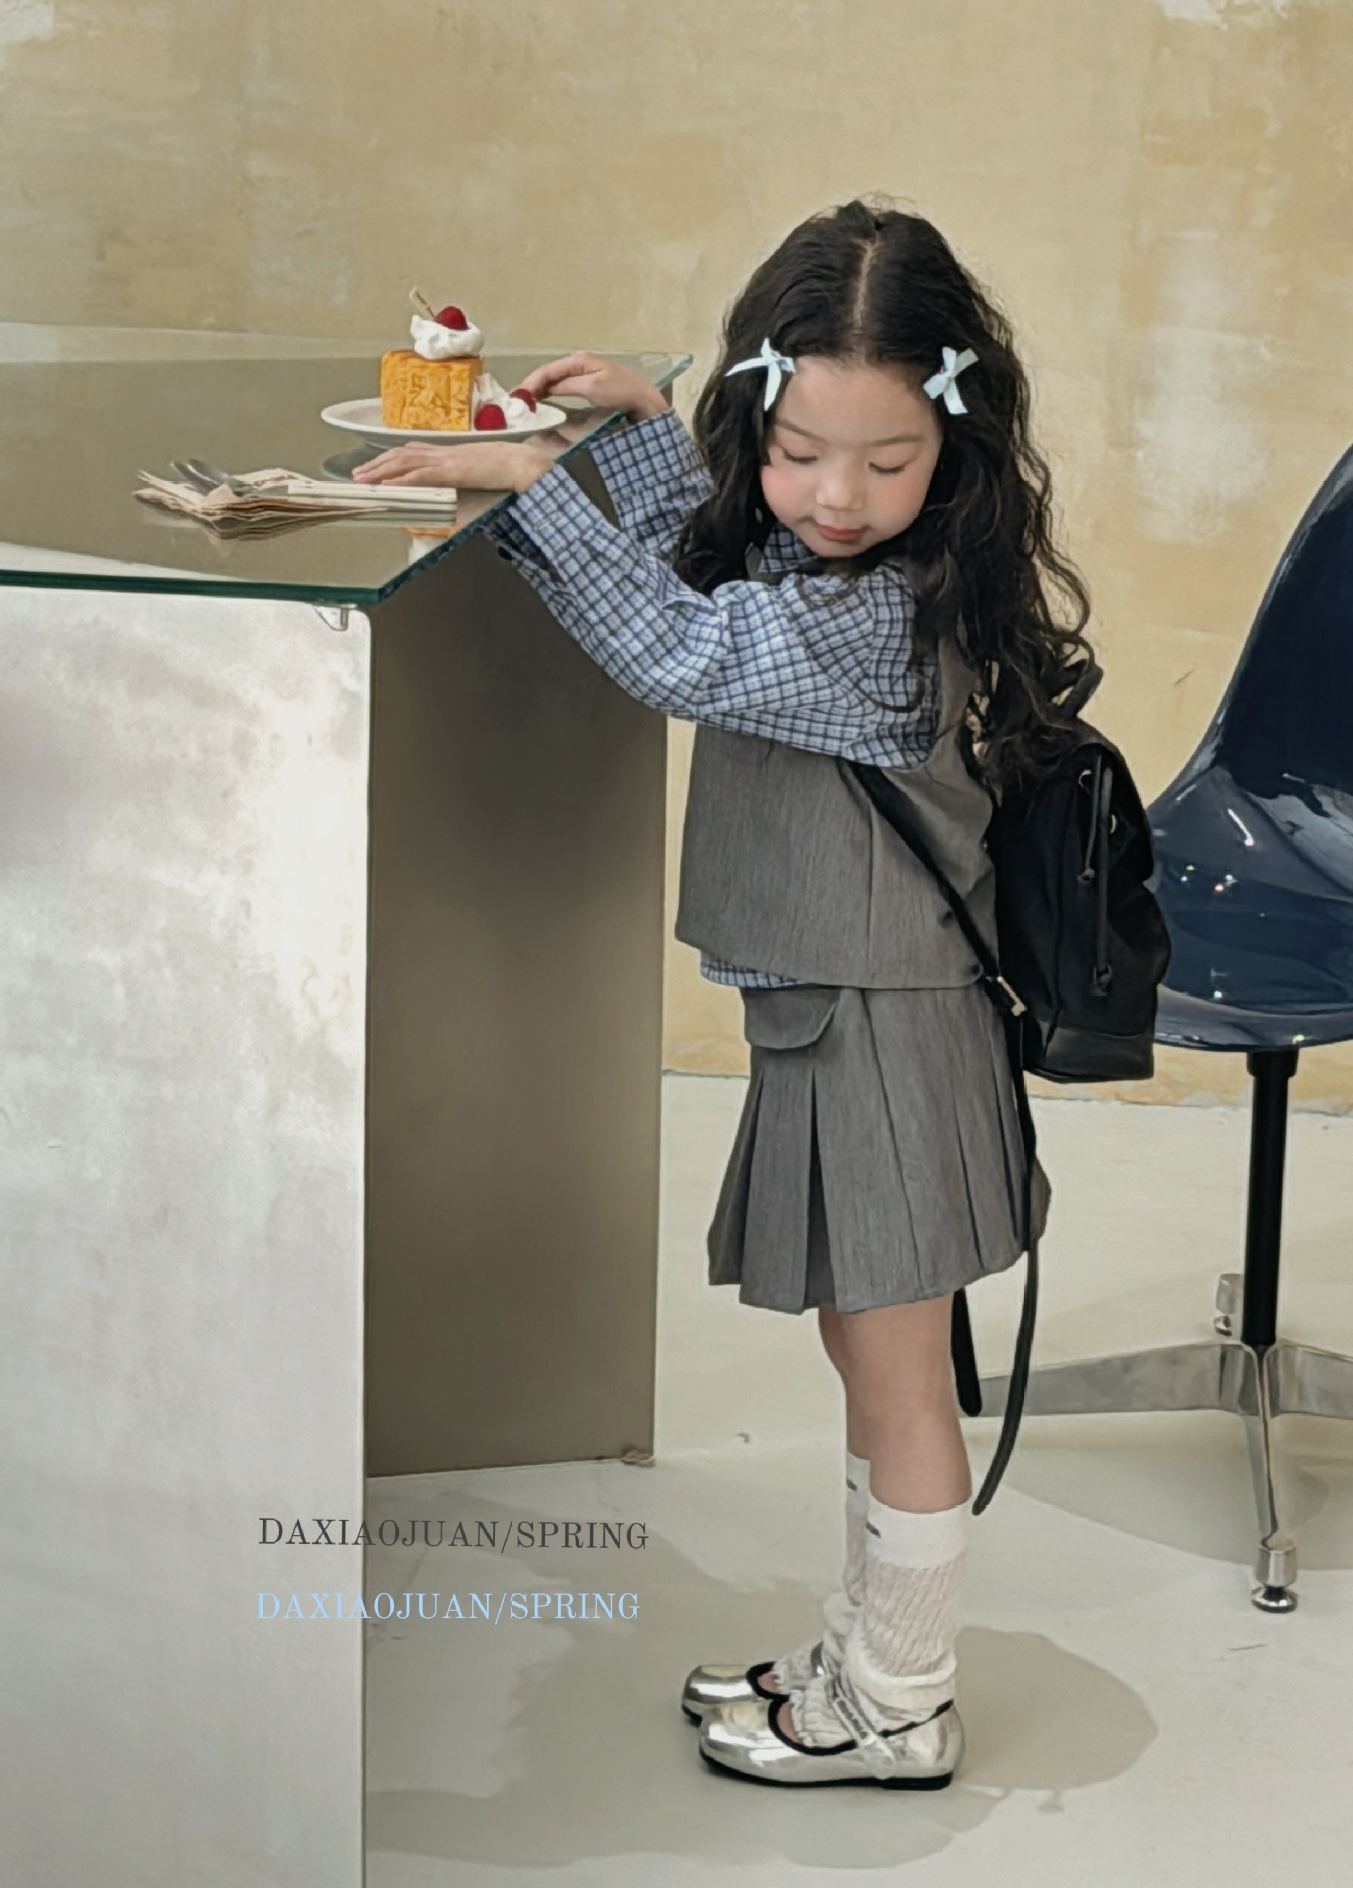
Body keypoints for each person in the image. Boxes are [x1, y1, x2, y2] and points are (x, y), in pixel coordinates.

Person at [353, 198, 1096, 1790]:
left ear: (954, 449)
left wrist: (535, 486)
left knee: (894, 1378)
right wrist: (643, 436)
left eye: (887, 461)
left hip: (885, 1027)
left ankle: (899, 1701)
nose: (837, 496)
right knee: (864, 1355)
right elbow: (733, 560)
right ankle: (866, 1656)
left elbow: (685, 650)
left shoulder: (879, 625)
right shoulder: (856, 564)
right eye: (799, 451)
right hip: (845, 1011)